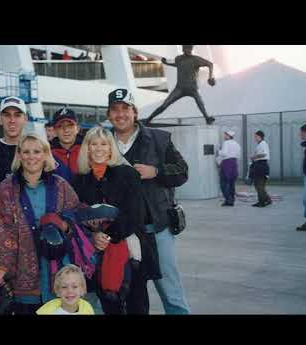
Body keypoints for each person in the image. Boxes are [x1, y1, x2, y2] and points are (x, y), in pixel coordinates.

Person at [108, 88, 190, 314]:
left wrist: (156, 171)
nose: (120, 114)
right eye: (115, 110)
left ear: (134, 112)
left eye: (125, 108)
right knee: (126, 292)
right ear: (108, 115)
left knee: (170, 291)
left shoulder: (159, 138)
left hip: (157, 229)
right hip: (121, 232)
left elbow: (182, 172)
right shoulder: (102, 141)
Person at [0, 133, 80, 315]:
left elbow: (77, 219)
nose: (31, 156)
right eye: (26, 151)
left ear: (45, 154)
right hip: (23, 272)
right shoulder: (6, 188)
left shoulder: (60, 185)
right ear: (19, 155)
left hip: (58, 270)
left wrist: (64, 225)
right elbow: (3, 231)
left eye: (37, 151)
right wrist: (3, 265)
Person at [72, 126, 145, 314]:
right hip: (92, 252)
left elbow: (136, 213)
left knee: (135, 304)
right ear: (86, 149)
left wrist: (108, 235)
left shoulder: (127, 174)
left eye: (104, 144)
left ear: (111, 148)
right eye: (93, 144)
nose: (98, 148)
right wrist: (94, 235)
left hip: (126, 247)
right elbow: (76, 216)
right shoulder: (79, 181)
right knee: (106, 304)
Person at [144, 45, 216, 125]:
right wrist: (166, 63)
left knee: (200, 103)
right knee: (165, 104)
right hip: (180, 88)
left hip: (193, 88)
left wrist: (210, 77)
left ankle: (207, 118)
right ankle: (149, 119)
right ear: (183, 49)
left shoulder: (196, 59)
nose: (189, 50)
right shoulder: (178, 58)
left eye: (190, 48)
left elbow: (210, 64)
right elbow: (178, 65)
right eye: (187, 48)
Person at [50, 108, 83, 183]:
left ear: (77, 128)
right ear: (54, 130)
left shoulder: (88, 150)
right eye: (60, 126)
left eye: (70, 126)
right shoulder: (47, 153)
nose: (66, 130)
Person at [216, 130, 241, 207]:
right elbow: (238, 155)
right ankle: (232, 199)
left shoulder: (226, 143)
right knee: (231, 183)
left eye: (225, 135)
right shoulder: (237, 144)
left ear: (229, 136)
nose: (224, 136)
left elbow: (224, 153)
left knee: (224, 183)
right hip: (234, 163)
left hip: (227, 163)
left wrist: (218, 151)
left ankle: (228, 200)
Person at [250, 130, 272, 207]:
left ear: (260, 137)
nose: (255, 138)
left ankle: (262, 202)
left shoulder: (263, 144)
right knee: (257, 184)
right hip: (259, 165)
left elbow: (263, 154)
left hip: (262, 165)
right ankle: (267, 199)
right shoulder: (260, 144)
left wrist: (254, 157)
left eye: (256, 137)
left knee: (260, 185)